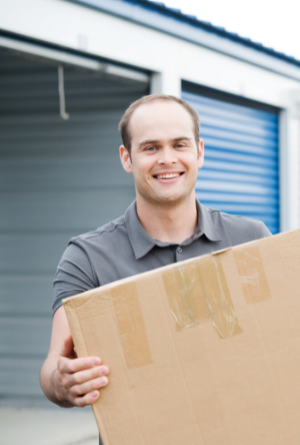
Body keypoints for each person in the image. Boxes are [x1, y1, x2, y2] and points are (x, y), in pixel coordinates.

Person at [40, 94, 271, 413]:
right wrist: (61, 382)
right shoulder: (89, 257)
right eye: (151, 148)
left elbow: (282, 337)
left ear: (199, 152)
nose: (167, 159)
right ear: (126, 158)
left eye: (179, 145)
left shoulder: (251, 240)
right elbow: (54, 364)